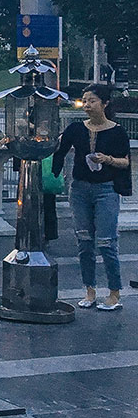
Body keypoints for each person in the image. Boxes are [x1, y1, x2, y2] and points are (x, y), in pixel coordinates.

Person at [52, 83, 131, 311]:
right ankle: (89, 289)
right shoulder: (76, 128)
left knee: (106, 242)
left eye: (92, 101)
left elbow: (125, 161)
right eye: (84, 101)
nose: (86, 105)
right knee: (84, 241)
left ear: (105, 104)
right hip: (80, 189)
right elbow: (59, 149)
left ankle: (114, 292)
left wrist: (107, 159)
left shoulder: (117, 131)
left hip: (106, 189)